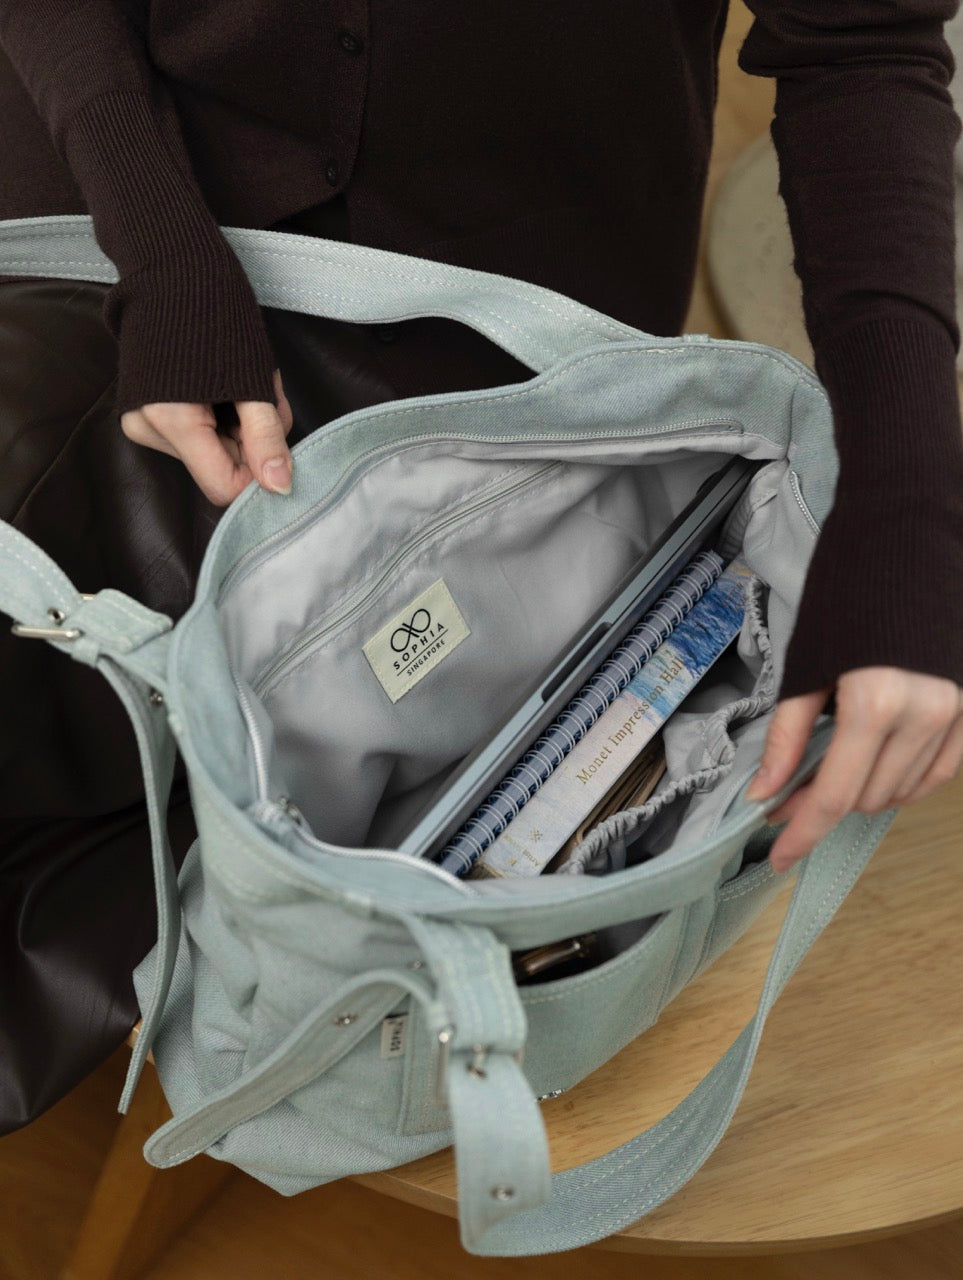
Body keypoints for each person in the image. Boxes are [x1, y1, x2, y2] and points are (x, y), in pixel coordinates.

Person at [0, 1, 961, 877]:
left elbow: (859, 43)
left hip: (526, 328)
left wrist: (906, 514)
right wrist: (162, 252)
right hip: (110, 215)